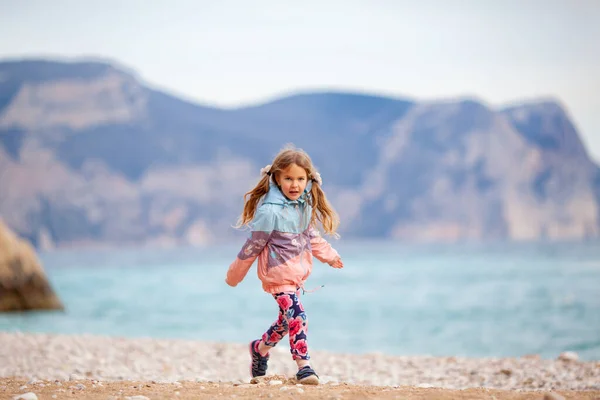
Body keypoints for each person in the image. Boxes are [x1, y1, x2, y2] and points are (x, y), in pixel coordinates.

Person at [225, 144, 344, 385]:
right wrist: (234, 275)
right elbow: (252, 247)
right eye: (288, 178)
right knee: (298, 315)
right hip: (277, 276)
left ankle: (259, 349)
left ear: (308, 180)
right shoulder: (270, 211)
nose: (295, 185)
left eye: (300, 179)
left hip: (296, 276)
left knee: (285, 321)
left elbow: (311, 237)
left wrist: (330, 256)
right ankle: (304, 367)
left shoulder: (303, 207)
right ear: (277, 178)